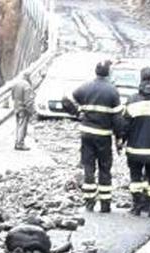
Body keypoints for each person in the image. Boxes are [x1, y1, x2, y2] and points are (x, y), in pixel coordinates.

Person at [62, 60, 122, 213]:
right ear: (108, 73)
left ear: (95, 72)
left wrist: (76, 113)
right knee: (104, 168)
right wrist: (119, 137)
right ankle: (105, 203)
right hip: (103, 135)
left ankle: (89, 201)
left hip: (87, 133)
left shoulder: (85, 87)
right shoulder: (112, 91)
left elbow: (65, 99)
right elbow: (117, 119)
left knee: (88, 167)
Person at [118, 67, 150, 217]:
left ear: (140, 79)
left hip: (134, 149)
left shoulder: (132, 100)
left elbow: (124, 125)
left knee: (135, 178)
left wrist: (122, 141)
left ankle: (137, 206)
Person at [12, 71, 35, 151]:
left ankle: (17, 141)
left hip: (16, 107)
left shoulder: (16, 83)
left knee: (18, 125)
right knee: (22, 126)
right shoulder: (27, 86)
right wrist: (32, 111)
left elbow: (12, 96)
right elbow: (28, 101)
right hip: (23, 109)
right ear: (28, 77)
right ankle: (20, 143)